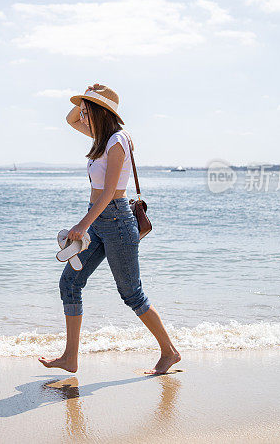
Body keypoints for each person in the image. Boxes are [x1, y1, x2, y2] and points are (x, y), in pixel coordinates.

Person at [39, 84, 181, 376]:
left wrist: (82, 225)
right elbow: (69, 120)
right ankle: (70, 358)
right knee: (70, 283)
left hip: (116, 221)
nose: (82, 114)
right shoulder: (101, 137)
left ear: (101, 111)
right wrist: (85, 95)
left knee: (132, 294)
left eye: (87, 109)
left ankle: (169, 352)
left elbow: (108, 193)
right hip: (102, 223)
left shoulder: (117, 140)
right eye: (83, 109)